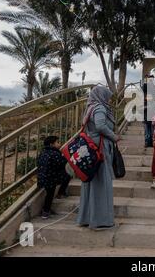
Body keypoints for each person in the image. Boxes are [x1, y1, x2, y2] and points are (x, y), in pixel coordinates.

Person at [77, 86, 121, 230]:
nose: (108, 99)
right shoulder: (100, 108)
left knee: (91, 182)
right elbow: (101, 126)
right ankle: (101, 219)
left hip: (92, 148)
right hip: (100, 148)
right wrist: (114, 137)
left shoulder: (90, 107)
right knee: (101, 182)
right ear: (101, 96)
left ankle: (87, 217)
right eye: (107, 96)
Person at [37, 136, 71, 219]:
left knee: (49, 194)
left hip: (42, 177)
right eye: (57, 142)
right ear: (51, 144)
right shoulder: (55, 154)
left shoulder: (43, 152)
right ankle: (45, 211)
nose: (59, 144)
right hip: (50, 179)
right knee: (67, 175)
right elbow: (62, 163)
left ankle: (47, 209)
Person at [143, 74, 155, 148]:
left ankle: (152, 142)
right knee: (147, 127)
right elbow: (144, 95)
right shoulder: (145, 85)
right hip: (146, 108)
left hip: (153, 108)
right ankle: (147, 142)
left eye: (152, 79)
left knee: (152, 126)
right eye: (150, 79)